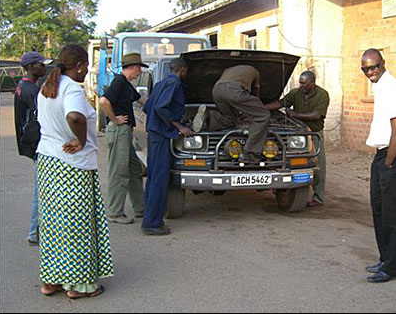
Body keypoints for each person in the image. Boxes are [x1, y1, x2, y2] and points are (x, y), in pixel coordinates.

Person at [36, 44, 114, 298]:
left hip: (48, 164)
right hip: (71, 167)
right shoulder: (71, 87)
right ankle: (79, 286)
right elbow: (75, 117)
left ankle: (51, 282)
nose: (87, 71)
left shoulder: (48, 87)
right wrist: (80, 140)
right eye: (86, 66)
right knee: (77, 227)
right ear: (79, 64)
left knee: (54, 225)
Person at [361, 49, 396, 283]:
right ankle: (385, 258)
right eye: (366, 69)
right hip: (383, 154)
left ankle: (392, 268)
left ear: (383, 63)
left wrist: (389, 163)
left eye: (374, 67)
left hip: (393, 154)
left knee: (392, 213)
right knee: (379, 208)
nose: (370, 71)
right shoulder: (380, 85)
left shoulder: (390, 87)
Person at [141, 58, 193, 236]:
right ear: (183, 69)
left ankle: (149, 217)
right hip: (162, 136)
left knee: (153, 176)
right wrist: (180, 126)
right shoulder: (174, 84)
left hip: (154, 134)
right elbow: (161, 108)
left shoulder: (160, 83)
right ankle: (152, 224)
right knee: (160, 179)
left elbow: (148, 107)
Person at [265, 70, 330, 207]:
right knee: (294, 162)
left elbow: (316, 115)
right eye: (300, 83)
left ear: (312, 83)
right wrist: (261, 108)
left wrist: (295, 115)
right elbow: (280, 103)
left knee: (319, 164)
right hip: (297, 135)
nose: (301, 86)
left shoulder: (322, 95)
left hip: (314, 133)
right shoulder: (296, 93)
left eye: (304, 83)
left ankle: (319, 197)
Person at [99, 53, 147, 224]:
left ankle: (141, 208)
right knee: (119, 172)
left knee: (134, 170)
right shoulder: (119, 81)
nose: (140, 72)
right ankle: (114, 212)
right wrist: (115, 119)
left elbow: (141, 100)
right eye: (139, 68)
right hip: (119, 130)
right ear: (133, 67)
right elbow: (104, 101)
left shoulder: (126, 85)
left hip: (126, 132)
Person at [193, 65, 270, 164]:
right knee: (263, 116)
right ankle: (250, 152)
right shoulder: (255, 71)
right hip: (233, 90)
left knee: (230, 120)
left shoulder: (227, 70)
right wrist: (253, 110)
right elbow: (255, 95)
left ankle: (208, 116)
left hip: (216, 91)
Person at [14, 51, 52, 245]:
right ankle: (34, 232)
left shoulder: (23, 86)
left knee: (41, 190)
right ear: (30, 67)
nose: (44, 68)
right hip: (37, 145)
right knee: (41, 192)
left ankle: (35, 231)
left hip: (31, 144)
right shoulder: (31, 90)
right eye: (41, 65)